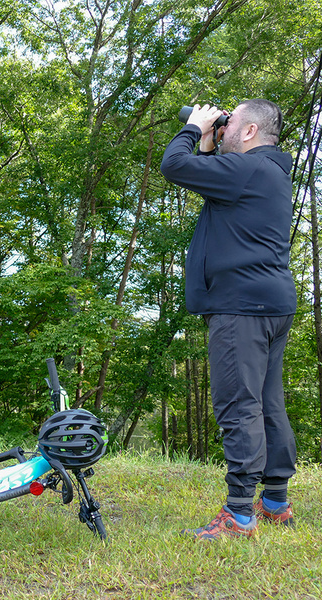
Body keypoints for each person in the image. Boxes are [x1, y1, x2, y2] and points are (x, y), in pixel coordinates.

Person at [160, 100, 297, 540]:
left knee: (238, 405)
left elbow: (174, 166)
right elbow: (204, 174)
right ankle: (275, 501)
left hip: (241, 308)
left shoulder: (249, 171)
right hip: (270, 304)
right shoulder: (265, 172)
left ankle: (239, 514)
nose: (223, 125)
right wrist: (207, 143)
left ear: (252, 130)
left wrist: (193, 129)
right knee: (267, 403)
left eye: (229, 120)